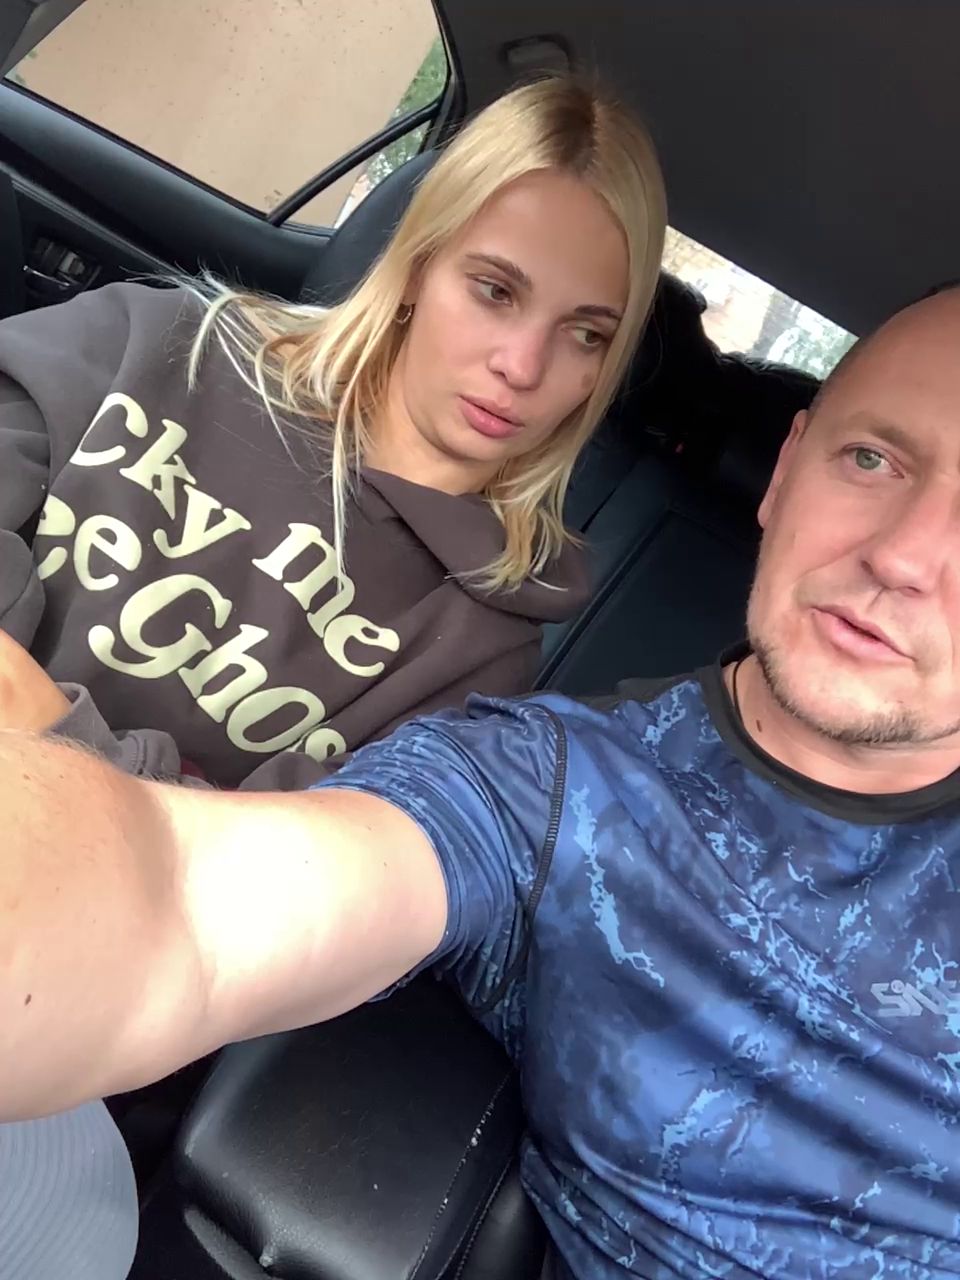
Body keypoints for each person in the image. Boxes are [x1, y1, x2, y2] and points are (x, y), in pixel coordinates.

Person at [6, 289, 960, 1276]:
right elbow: (188, 911)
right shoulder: (545, 790)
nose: (902, 556)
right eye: (871, 459)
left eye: (582, 331)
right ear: (787, 469)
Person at [0, 74, 666, 790]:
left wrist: (51, 731)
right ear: (419, 266)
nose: (523, 366)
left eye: (586, 334)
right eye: (495, 291)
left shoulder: (484, 652)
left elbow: (291, 847)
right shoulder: (167, 343)